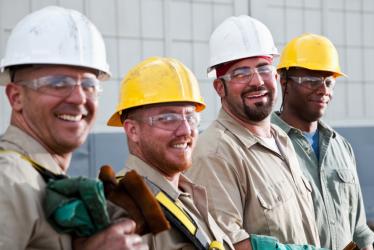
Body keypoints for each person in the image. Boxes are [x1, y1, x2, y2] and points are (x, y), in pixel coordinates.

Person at [0, 6, 146, 250]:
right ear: (16, 97)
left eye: (89, 84)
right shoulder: (10, 181)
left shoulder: (40, 178)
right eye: (58, 83)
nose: (79, 98)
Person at [185, 15, 320, 249]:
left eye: (263, 68)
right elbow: (226, 244)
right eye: (241, 73)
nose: (256, 81)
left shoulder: (282, 140)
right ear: (220, 87)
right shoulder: (215, 155)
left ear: (276, 77)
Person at [106, 56, 235, 250]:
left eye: (190, 116)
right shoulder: (124, 210)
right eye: (168, 118)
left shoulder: (187, 194)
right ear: (133, 130)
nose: (185, 130)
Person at [271, 33, 374, 250]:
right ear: (284, 82)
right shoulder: (265, 145)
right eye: (311, 81)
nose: (323, 90)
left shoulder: (341, 147)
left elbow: (359, 231)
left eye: (329, 81)